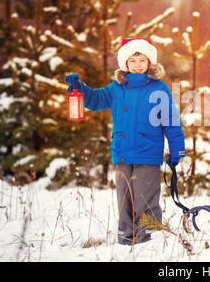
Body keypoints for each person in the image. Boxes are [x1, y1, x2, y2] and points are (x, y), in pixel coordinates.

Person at [65, 38, 186, 245]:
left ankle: (149, 240)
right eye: (133, 60)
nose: (138, 65)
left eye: (142, 60)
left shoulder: (159, 88)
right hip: (122, 153)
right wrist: (80, 87)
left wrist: (177, 149)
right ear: (125, 64)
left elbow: (171, 121)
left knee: (145, 199)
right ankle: (126, 239)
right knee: (125, 200)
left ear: (150, 63)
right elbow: (94, 100)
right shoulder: (116, 89)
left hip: (148, 154)